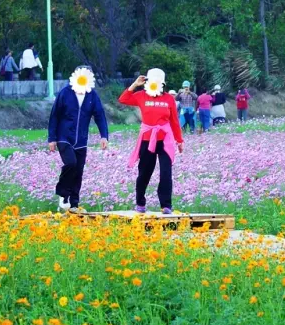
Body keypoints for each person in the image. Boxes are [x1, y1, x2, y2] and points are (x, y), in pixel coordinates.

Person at [119, 69, 184, 214]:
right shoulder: (141, 96)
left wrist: (179, 140)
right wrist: (135, 84)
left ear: (162, 84)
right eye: (152, 81)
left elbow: (174, 121)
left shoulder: (169, 99)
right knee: (145, 172)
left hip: (165, 139)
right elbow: (123, 99)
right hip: (147, 139)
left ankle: (166, 205)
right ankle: (140, 202)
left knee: (166, 172)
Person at [48, 66, 109, 213]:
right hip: (64, 136)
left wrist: (104, 136)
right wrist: (52, 138)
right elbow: (54, 115)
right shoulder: (65, 93)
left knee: (78, 171)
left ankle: (74, 204)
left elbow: (100, 116)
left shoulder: (92, 95)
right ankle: (63, 194)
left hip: (81, 139)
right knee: (71, 163)